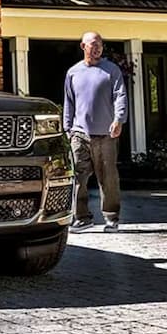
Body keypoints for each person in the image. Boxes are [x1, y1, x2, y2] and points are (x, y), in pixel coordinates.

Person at [63, 32, 127, 232]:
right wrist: (67, 129)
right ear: (83, 46)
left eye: (100, 44)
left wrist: (119, 119)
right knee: (78, 178)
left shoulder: (111, 70)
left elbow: (120, 96)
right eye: (93, 44)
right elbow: (69, 102)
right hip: (79, 134)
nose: (98, 47)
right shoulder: (73, 72)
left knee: (108, 177)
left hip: (105, 135)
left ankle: (111, 217)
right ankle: (82, 218)